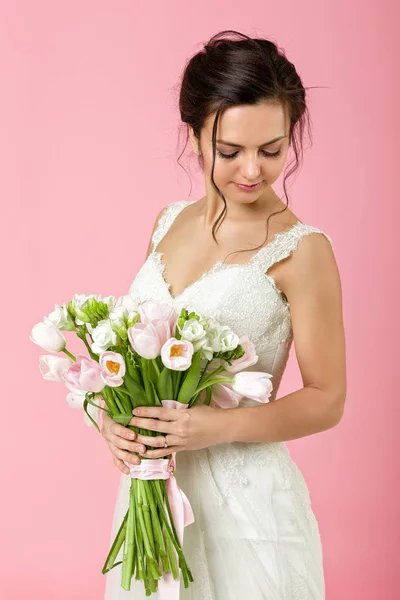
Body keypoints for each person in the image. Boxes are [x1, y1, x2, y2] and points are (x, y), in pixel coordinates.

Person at [100, 30, 346, 599]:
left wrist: (217, 427)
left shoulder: (302, 249)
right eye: (229, 150)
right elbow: (132, 353)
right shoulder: (168, 221)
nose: (253, 172)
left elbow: (328, 397)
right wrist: (112, 426)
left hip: (248, 508)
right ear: (194, 134)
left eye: (273, 149)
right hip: (153, 496)